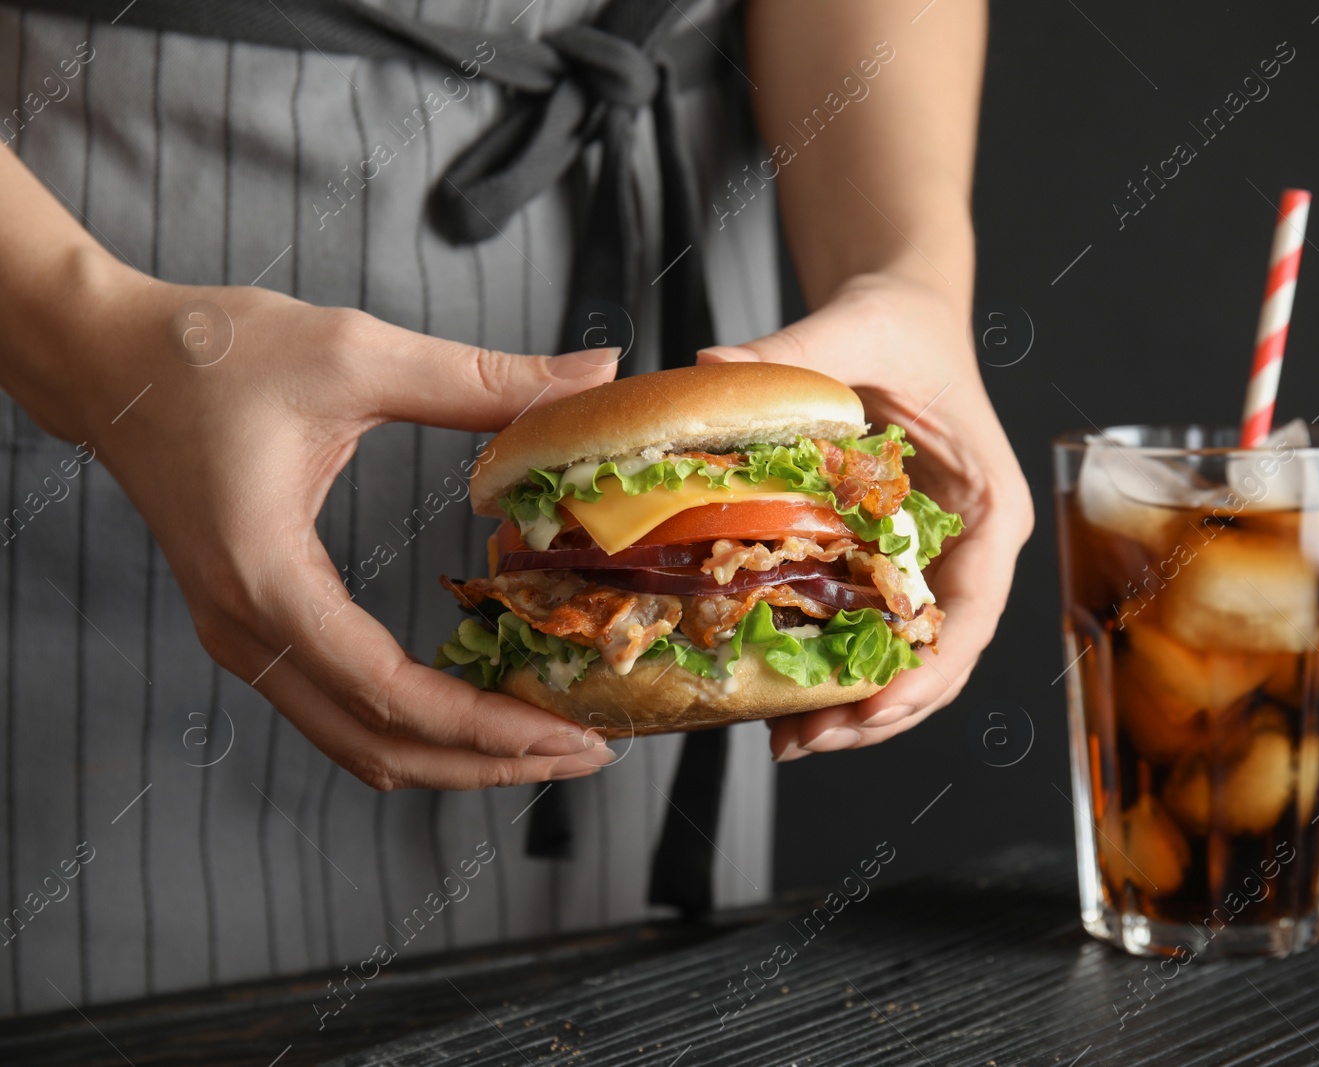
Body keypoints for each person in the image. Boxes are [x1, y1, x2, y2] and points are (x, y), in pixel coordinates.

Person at [0, 0, 1030, 1017]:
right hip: (135, 252)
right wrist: (92, 339)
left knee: (612, 1016)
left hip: (664, 223)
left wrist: (909, 274)